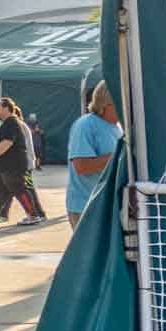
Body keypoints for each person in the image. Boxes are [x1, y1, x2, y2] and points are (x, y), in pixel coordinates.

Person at [0, 97, 44, 226]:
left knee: (20, 190)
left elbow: (6, 143)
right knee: (0, 192)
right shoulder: (7, 123)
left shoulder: (11, 122)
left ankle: (33, 215)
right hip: (4, 167)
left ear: (6, 108)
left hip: (13, 166)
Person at [66, 82, 123, 229]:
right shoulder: (85, 125)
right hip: (86, 208)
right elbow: (82, 166)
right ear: (107, 104)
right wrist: (121, 155)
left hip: (107, 206)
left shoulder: (117, 127)